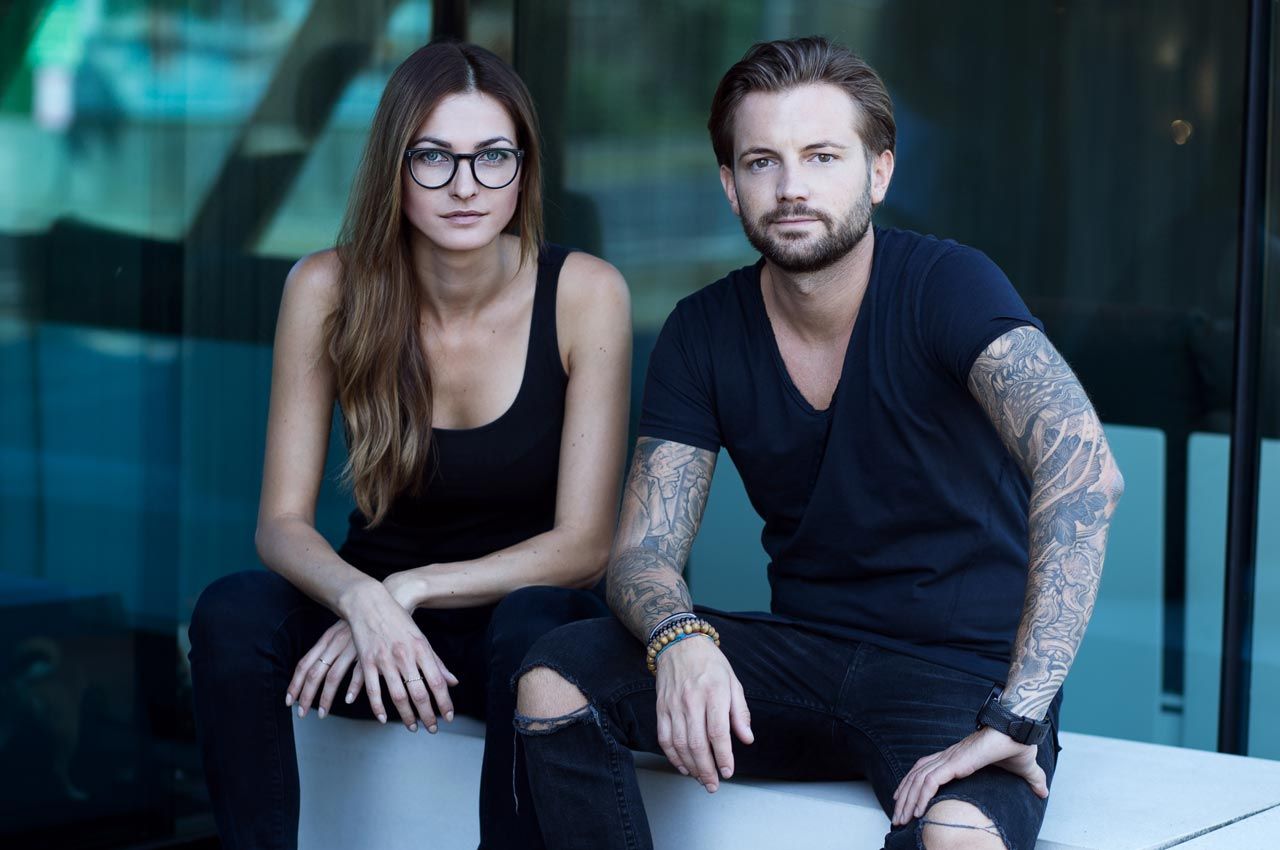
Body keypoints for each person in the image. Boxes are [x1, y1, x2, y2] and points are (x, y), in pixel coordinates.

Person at [513, 36, 1124, 850]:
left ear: (880, 172)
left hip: (962, 673)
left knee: (958, 838)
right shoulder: (702, 331)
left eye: (822, 157)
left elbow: (1083, 475)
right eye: (761, 162)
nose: (791, 187)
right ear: (730, 185)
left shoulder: (948, 286)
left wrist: (1020, 711)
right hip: (801, 658)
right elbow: (641, 553)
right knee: (555, 678)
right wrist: (679, 638)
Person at [186, 41, 630, 850]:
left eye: (492, 157)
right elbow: (279, 524)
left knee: (533, 626)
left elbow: (584, 546)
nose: (466, 186)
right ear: (393, 167)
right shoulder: (326, 288)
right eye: (433, 157)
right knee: (231, 612)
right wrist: (361, 602)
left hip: (514, 628)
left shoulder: (583, 293)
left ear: (524, 169)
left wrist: (411, 590)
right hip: (375, 630)